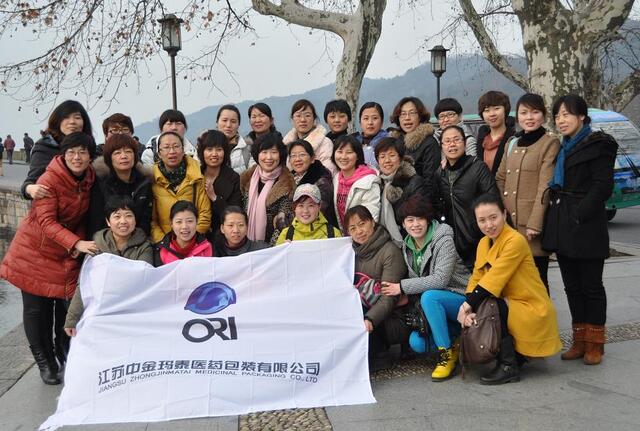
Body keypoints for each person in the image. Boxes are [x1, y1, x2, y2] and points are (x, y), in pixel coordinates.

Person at [0, 132, 97, 385]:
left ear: (90, 156)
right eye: (71, 152)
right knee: (36, 310)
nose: (77, 157)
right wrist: (76, 243)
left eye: (83, 152)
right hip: (34, 251)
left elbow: (83, 217)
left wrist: (76, 241)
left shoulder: (89, 178)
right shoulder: (49, 179)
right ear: (63, 155)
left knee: (66, 308)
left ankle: (63, 352)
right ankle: (45, 363)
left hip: (63, 252)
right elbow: (46, 221)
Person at [542, 94, 618, 365]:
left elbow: (603, 186)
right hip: (562, 222)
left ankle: (595, 343)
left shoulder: (599, 145)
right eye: (557, 116)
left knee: (591, 285)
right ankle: (579, 340)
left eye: (566, 114)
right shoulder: (562, 147)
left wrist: (580, 213)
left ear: (582, 116)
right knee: (572, 286)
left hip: (587, 225)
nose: (561, 120)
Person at [458, 194, 562, 384]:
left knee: (492, 305)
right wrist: (468, 305)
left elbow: (494, 278)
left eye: (493, 217)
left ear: (504, 214)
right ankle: (514, 356)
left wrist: (466, 305)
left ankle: (508, 366)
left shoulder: (515, 240)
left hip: (530, 306)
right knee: (487, 303)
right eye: (482, 220)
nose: (489, 225)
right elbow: (477, 278)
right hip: (510, 302)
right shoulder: (483, 243)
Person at [381, 197, 470, 381]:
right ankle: (457, 342)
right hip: (436, 307)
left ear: (428, 219)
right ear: (403, 224)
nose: (415, 224)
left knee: (430, 297)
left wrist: (402, 287)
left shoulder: (443, 238)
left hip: (461, 299)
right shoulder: (407, 246)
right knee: (417, 343)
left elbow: (440, 279)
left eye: (420, 218)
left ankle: (445, 355)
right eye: (410, 220)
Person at [495, 93, 560, 290]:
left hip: (531, 226)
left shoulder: (549, 143)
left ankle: (542, 312)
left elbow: (545, 185)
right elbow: (500, 178)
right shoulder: (511, 143)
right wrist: (501, 214)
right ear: (517, 116)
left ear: (544, 115)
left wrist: (535, 223)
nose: (529, 117)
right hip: (508, 224)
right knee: (513, 283)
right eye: (524, 113)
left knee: (537, 282)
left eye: (535, 112)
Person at [64, 196, 154, 336]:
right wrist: (72, 319)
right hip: (102, 311)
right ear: (108, 221)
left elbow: (143, 280)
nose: (123, 221)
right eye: (117, 216)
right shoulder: (96, 247)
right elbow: (84, 285)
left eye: (128, 216)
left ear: (135, 220)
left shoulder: (145, 246)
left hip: (132, 313)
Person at [347, 205, 407, 371]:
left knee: (359, 307)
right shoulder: (350, 253)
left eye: (362, 224)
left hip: (393, 318)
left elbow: (389, 297)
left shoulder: (389, 251)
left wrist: (370, 318)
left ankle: (380, 355)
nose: (359, 231)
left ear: (372, 222)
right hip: (364, 314)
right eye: (353, 228)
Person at [434, 125, 499, 271]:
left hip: (478, 239)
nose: (452, 144)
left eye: (456, 140)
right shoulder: (440, 174)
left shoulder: (478, 167)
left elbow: (492, 199)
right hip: (453, 243)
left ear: (464, 143)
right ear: (442, 146)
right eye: (447, 141)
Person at [21, 100, 93, 200]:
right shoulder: (45, 147)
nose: (72, 122)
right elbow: (32, 182)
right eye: (66, 117)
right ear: (57, 121)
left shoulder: (90, 147)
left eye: (77, 117)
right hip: (54, 204)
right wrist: (29, 189)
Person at [150, 131, 211, 243]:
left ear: (183, 150)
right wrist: (165, 243)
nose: (172, 151)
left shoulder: (197, 177)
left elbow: (205, 214)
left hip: (194, 243)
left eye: (176, 146)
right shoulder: (152, 180)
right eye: (166, 147)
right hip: (164, 245)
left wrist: (189, 240)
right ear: (159, 153)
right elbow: (151, 221)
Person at [88, 134, 153, 237]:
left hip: (139, 239)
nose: (123, 156)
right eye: (117, 153)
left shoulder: (144, 183)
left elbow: (146, 219)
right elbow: (96, 220)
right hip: (107, 239)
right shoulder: (100, 183)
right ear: (109, 158)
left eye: (128, 151)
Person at [240, 132, 295, 245]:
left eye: (274, 152)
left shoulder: (287, 184)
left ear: (280, 155)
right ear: (257, 155)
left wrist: (269, 249)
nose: (269, 157)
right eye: (264, 152)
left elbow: (283, 223)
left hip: (272, 246)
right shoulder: (247, 178)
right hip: (245, 244)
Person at [375, 137, 430, 245]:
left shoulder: (414, 182)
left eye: (392, 155)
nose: (387, 160)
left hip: (410, 240)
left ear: (400, 158)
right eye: (382, 156)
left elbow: (418, 215)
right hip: (384, 242)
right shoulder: (378, 184)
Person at [197, 129, 242, 236]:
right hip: (196, 234)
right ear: (202, 152)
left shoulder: (233, 178)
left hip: (223, 235)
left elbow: (236, 214)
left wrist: (215, 198)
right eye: (209, 149)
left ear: (225, 152)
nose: (214, 154)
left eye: (219, 149)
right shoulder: (195, 174)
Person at [332, 135, 381, 233]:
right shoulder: (337, 178)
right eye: (340, 152)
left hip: (363, 235)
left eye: (349, 152)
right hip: (345, 236)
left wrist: (357, 236)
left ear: (358, 155)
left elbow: (372, 217)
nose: (343, 157)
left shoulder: (368, 181)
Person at [388, 96, 440, 182]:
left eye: (412, 113)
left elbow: (430, 180)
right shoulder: (394, 142)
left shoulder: (429, 143)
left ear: (420, 116)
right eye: (403, 114)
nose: (407, 118)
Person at [288, 139, 337, 226]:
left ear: (312, 158)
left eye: (302, 155)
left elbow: (315, 214)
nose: (297, 159)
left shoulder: (322, 182)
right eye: (293, 155)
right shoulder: (290, 178)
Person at [276, 184, 341, 245]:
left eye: (311, 205)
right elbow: (277, 253)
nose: (305, 211)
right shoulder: (286, 235)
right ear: (294, 208)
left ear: (319, 206)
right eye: (301, 205)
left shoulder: (333, 234)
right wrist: (284, 249)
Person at [283, 99, 335, 173]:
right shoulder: (286, 145)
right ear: (292, 119)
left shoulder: (325, 143)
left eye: (307, 115)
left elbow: (328, 171)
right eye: (298, 115)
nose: (303, 120)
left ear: (314, 119)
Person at [155, 200, 213, 265]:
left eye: (190, 221)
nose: (184, 226)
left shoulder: (207, 248)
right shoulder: (161, 250)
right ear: (171, 223)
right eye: (179, 222)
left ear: (196, 222)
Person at [476, 91, 516, 175]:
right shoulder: (481, 139)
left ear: (505, 110)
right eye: (487, 110)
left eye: (496, 108)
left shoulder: (514, 140)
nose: (492, 114)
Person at [216, 104, 254, 174]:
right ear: (217, 122)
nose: (228, 125)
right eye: (224, 120)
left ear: (238, 125)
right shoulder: (204, 146)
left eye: (233, 121)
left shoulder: (248, 148)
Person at [353, 102, 389, 167]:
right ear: (360, 122)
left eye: (375, 118)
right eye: (366, 118)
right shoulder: (353, 143)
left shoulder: (389, 143)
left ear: (382, 122)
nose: (370, 122)